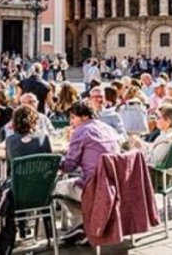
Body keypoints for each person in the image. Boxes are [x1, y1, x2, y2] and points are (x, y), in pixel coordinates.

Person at [0, 105, 52, 253]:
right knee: (20, 183)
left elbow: (10, 167)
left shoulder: (10, 141)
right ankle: (30, 229)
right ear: (34, 121)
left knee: (6, 186)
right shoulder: (44, 138)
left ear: (14, 122)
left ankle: (9, 234)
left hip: (18, 196)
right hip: (42, 193)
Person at [55, 100, 120, 244]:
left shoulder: (81, 131)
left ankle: (84, 226)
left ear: (84, 117)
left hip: (95, 186)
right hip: (114, 184)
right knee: (71, 183)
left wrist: (53, 161)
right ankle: (86, 225)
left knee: (56, 188)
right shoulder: (108, 128)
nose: (71, 122)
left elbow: (69, 166)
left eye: (73, 117)